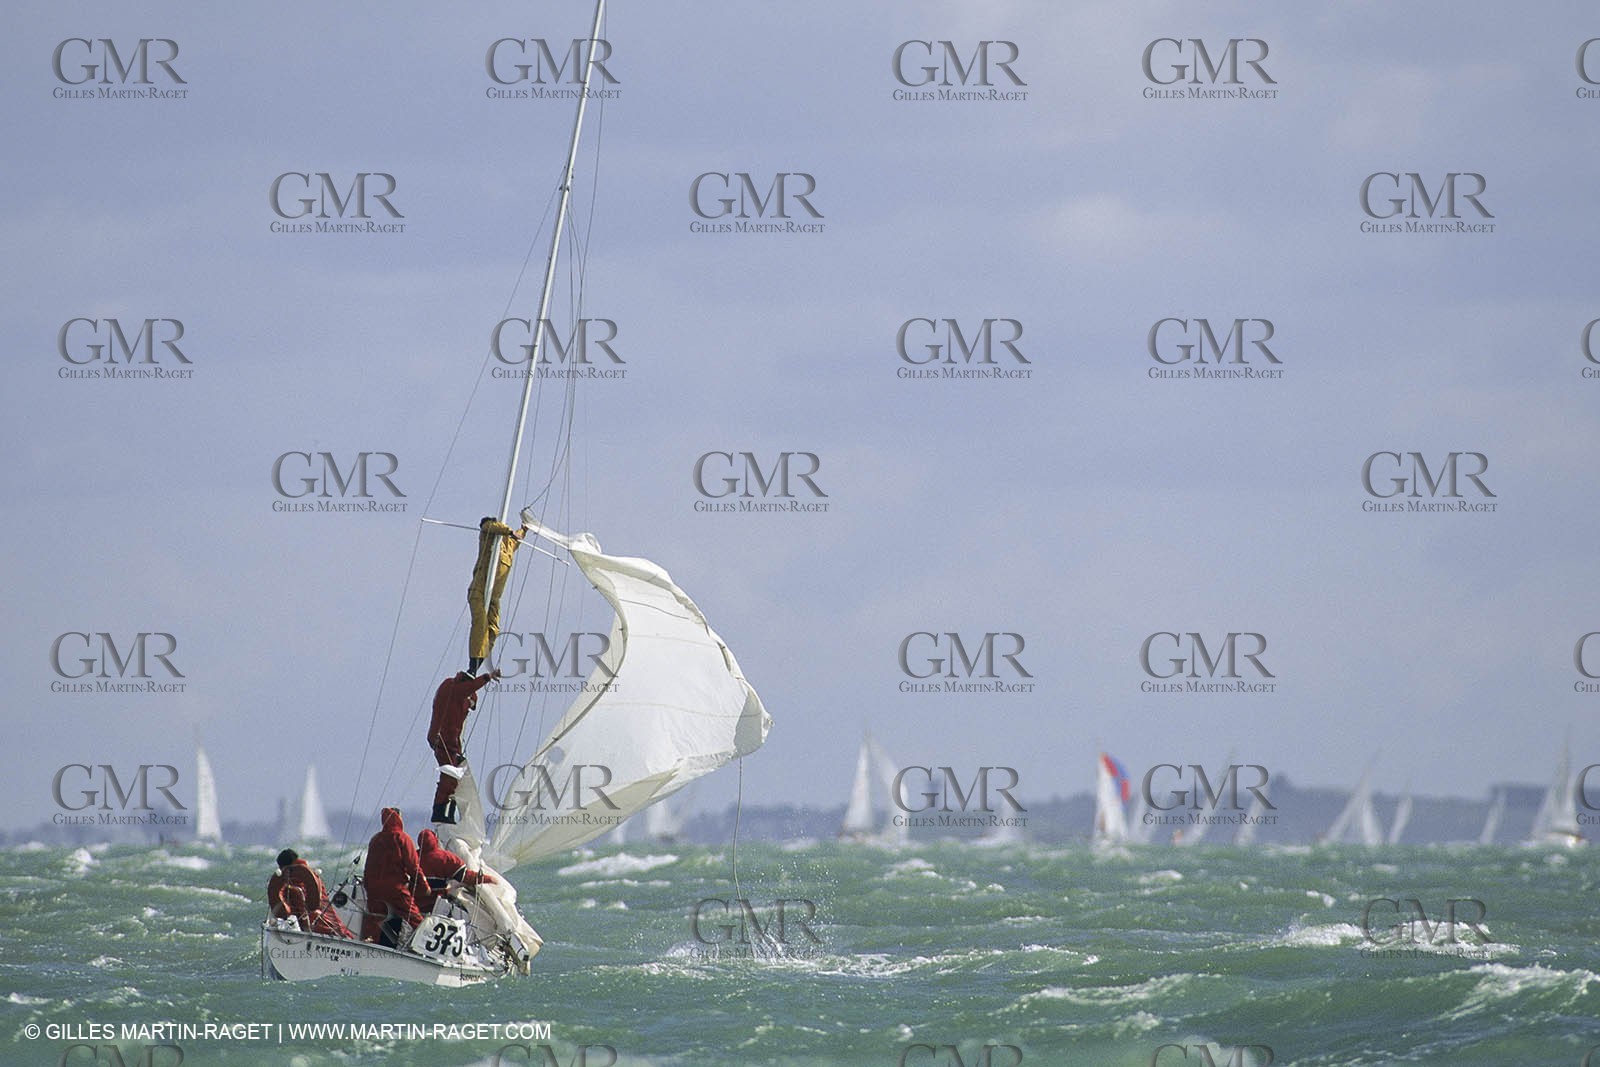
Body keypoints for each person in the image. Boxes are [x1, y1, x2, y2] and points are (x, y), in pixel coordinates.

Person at [429, 668, 500, 824]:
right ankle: (439, 814)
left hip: (449, 743)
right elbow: (468, 688)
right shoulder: (454, 689)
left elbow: (457, 731)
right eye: (470, 705)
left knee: (455, 779)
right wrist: (488, 677)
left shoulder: (458, 693)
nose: (469, 709)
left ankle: (448, 813)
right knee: (451, 777)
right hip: (442, 742)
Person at [466, 511, 533, 675]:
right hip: (479, 591)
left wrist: (524, 529)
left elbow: (517, 539)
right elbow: (490, 526)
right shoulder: (488, 534)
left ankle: (477, 665)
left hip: (494, 597)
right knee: (480, 625)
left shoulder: (507, 545)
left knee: (493, 631)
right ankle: (472, 667)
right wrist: (509, 531)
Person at [361, 807, 425, 946]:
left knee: (376, 919)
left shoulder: (375, 839)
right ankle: (424, 947)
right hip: (396, 889)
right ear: (399, 818)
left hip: (373, 889)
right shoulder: (403, 838)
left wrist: (368, 886)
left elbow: (368, 867)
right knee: (416, 920)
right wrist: (424, 886)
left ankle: (371, 944)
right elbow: (413, 866)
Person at [273, 848, 354, 938]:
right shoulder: (310, 875)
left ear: (284, 867)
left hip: (316, 922)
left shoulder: (299, 877)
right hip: (322, 922)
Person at [415, 828, 498, 911]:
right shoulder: (446, 858)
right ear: (436, 840)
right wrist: (488, 878)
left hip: (414, 905)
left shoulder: (412, 857)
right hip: (436, 904)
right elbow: (466, 877)